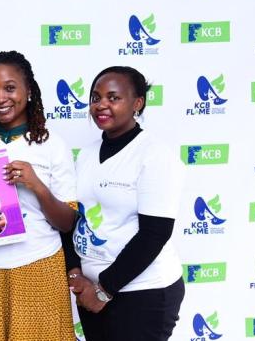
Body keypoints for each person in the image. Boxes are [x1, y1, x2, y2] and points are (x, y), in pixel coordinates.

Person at [0, 50, 77, 341]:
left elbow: (67, 221)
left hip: (39, 266)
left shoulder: (52, 146)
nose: (0, 98)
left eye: (10, 88)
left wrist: (36, 185)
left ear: (28, 91)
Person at [65, 66, 185, 341]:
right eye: (95, 98)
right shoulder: (86, 154)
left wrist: (104, 290)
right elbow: (74, 218)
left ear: (137, 103)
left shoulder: (154, 155)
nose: (101, 105)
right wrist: (75, 274)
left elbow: (154, 234)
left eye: (113, 97)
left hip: (143, 294)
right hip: (91, 292)